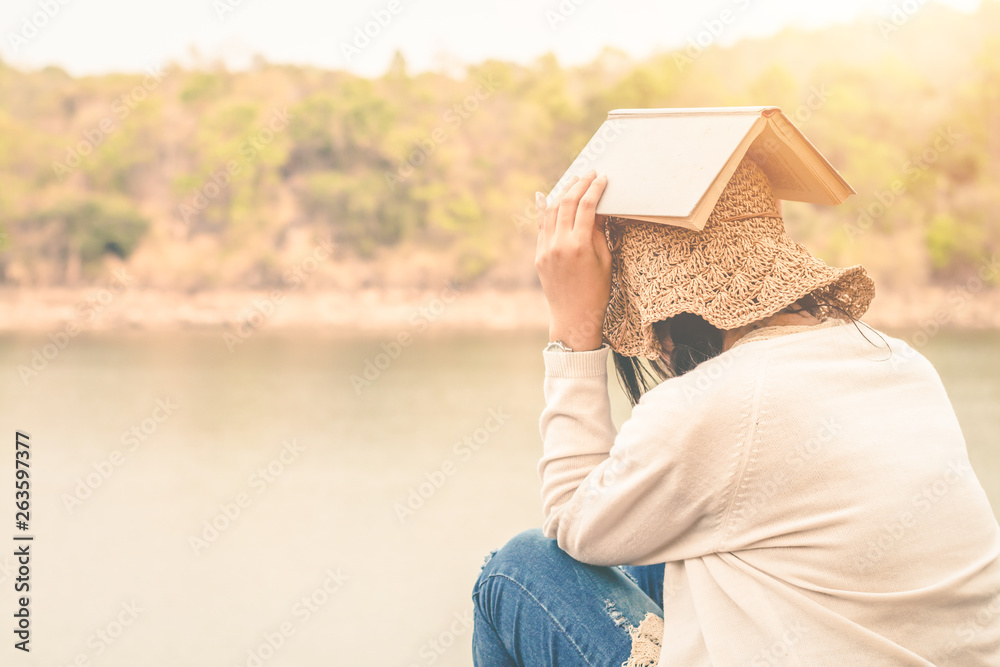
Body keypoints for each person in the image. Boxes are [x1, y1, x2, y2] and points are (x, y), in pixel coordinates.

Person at [471, 159, 1000, 666]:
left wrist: (574, 331)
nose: (654, 348)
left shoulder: (715, 402)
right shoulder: (901, 361)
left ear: (668, 308)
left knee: (516, 571)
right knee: (645, 545)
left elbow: (571, 523)